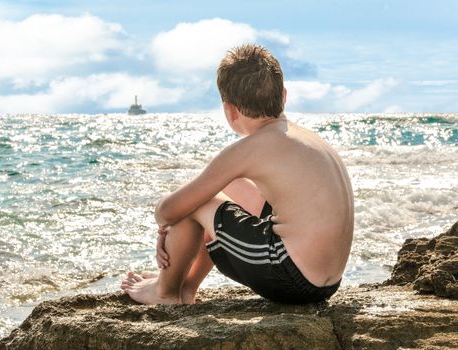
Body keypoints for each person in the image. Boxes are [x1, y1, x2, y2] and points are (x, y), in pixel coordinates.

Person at [120, 44, 354, 304]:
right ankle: (186, 287)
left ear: (229, 110)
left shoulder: (248, 149)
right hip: (326, 282)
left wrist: (165, 227)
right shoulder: (306, 139)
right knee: (232, 186)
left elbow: (167, 210)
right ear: (284, 96)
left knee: (196, 201)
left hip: (290, 276)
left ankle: (165, 291)